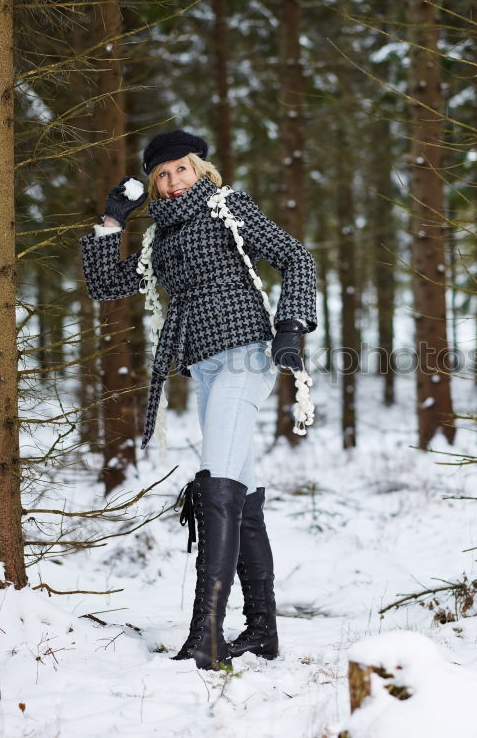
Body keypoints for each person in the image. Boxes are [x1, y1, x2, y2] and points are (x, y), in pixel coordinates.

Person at [78, 129, 317, 670]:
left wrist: (291, 326)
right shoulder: (158, 236)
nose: (170, 182)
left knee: (217, 483)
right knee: (240, 488)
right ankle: (262, 631)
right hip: (202, 365)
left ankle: (206, 634)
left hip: (244, 352)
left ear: (199, 167)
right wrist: (112, 223)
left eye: (179, 169)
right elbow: (106, 286)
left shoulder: (228, 207)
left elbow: (296, 256)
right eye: (160, 175)